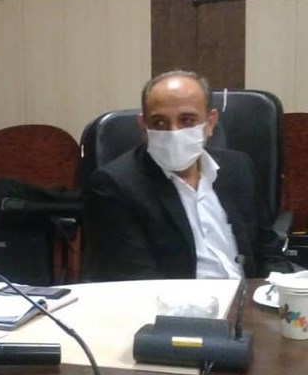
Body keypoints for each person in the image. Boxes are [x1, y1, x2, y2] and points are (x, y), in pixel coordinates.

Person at [84, 70, 290, 282]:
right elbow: (136, 281)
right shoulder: (114, 185)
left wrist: (280, 289)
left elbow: (269, 253)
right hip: (178, 301)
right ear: (143, 126)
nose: (174, 132)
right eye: (159, 122)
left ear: (210, 123)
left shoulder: (238, 168)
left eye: (188, 120)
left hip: (251, 295)